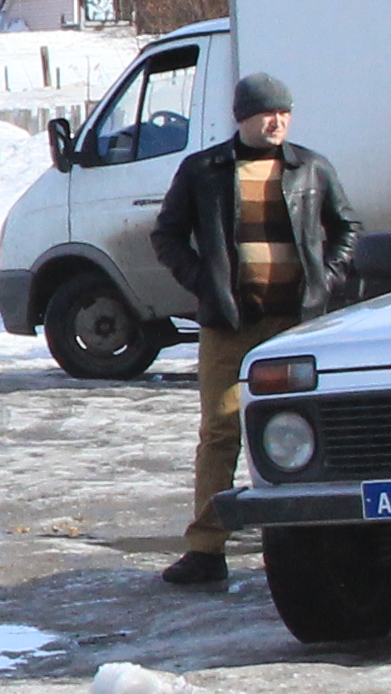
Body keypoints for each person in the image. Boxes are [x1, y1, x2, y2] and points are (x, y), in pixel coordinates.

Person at [149, 69, 359, 590]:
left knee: (303, 429)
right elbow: (167, 235)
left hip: (294, 326)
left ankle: (310, 539)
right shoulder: (204, 170)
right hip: (229, 322)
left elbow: (347, 227)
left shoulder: (311, 168)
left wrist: (325, 279)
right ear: (243, 117)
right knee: (220, 432)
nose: (277, 122)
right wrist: (203, 283)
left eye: (284, 113)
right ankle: (205, 549)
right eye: (268, 113)